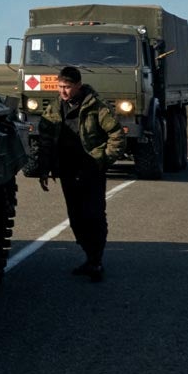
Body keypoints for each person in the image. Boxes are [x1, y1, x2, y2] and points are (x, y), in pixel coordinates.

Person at [35, 65, 124, 282]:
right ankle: (89, 256)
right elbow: (45, 140)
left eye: (67, 87)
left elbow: (117, 135)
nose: (62, 91)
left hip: (91, 171)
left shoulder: (96, 107)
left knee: (94, 215)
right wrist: (43, 168)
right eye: (60, 87)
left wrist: (102, 160)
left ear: (78, 86)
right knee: (76, 218)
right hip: (67, 170)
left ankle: (96, 260)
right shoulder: (54, 108)